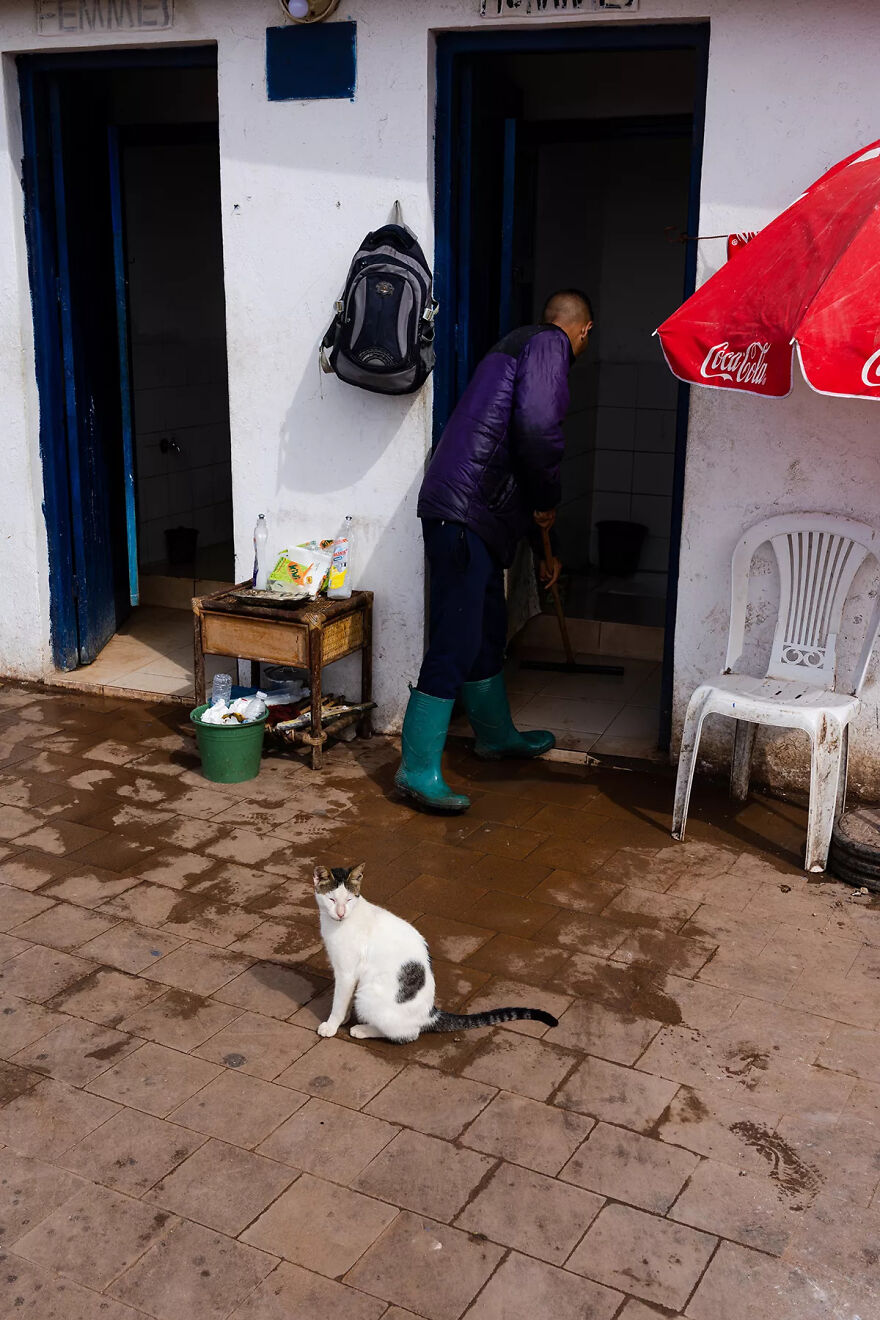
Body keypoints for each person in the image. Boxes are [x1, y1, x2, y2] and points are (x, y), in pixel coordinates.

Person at [395, 288, 594, 813]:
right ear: (583, 330)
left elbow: (515, 449)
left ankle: (495, 735)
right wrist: (548, 498)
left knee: (486, 626)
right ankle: (415, 769)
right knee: (457, 637)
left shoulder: (518, 345)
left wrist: (542, 538)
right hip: (465, 513)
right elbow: (537, 429)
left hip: (472, 513)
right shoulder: (550, 345)